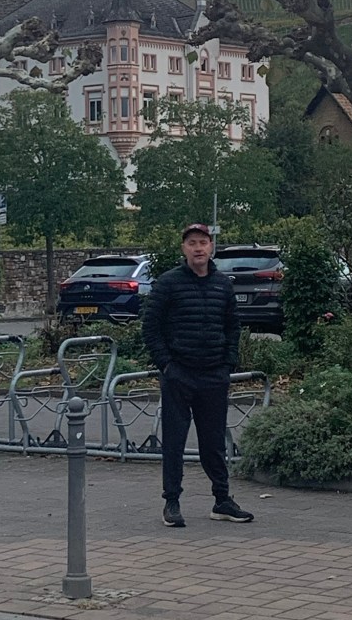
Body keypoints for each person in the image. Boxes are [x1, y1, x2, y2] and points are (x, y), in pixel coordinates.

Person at [142, 223, 254, 528]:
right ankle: (171, 502)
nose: (198, 248)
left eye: (203, 242)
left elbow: (232, 326)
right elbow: (150, 328)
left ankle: (222, 501)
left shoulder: (222, 285)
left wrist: (228, 364)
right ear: (184, 248)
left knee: (214, 442)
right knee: (175, 442)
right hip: (179, 375)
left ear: (211, 247)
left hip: (214, 375)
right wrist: (167, 366)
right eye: (192, 243)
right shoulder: (168, 283)